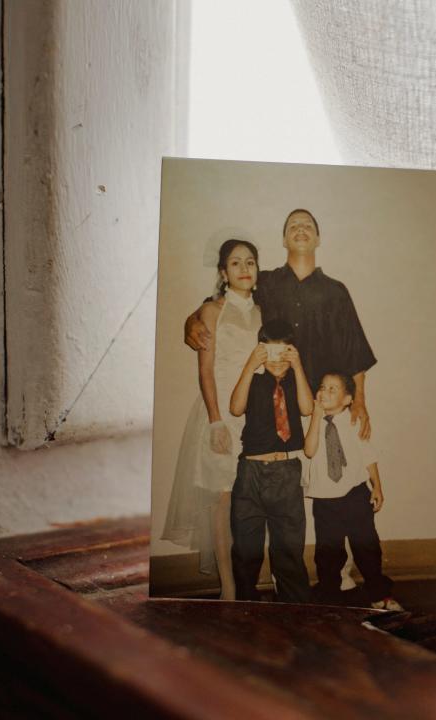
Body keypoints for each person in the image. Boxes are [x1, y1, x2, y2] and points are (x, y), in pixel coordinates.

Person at [186, 209, 376, 440]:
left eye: (307, 225)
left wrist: (360, 402)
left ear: (318, 239)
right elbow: (223, 305)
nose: (300, 228)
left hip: (321, 405)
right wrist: (191, 321)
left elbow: (354, 351)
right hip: (274, 406)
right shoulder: (265, 283)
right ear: (284, 240)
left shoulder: (336, 292)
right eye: (293, 225)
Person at [161, 239, 262, 600]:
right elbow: (205, 371)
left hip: (256, 415)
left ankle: (254, 578)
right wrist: (216, 421)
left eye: (250, 262)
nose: (244, 269)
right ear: (223, 272)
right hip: (219, 412)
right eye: (235, 263)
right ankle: (228, 586)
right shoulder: (211, 312)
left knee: (250, 500)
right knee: (221, 498)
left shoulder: (265, 311)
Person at [228, 319, 314, 603]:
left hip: (286, 472)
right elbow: (236, 407)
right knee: (245, 548)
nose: (278, 361)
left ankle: (296, 610)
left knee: (289, 548)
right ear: (262, 351)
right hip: (250, 472)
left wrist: (298, 367)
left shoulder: (295, 381)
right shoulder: (254, 380)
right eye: (271, 353)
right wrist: (250, 365)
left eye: (284, 354)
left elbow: (307, 408)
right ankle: (245, 607)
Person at [304, 372, 402, 611]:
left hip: (355, 494)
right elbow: (309, 451)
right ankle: (330, 598)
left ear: (348, 399)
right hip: (325, 501)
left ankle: (380, 594)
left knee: (366, 546)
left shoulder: (353, 420)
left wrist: (377, 485)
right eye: (322, 387)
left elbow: (368, 455)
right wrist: (316, 417)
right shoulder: (313, 422)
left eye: (332, 389)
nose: (324, 392)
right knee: (328, 554)